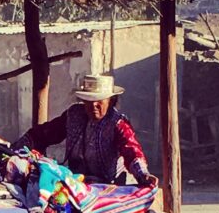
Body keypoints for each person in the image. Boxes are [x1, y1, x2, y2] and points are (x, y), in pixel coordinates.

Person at [15, 74, 158, 188]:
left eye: (99, 100)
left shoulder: (118, 123)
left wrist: (142, 174)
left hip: (109, 186)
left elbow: (131, 149)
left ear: (111, 101)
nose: (93, 105)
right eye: (88, 100)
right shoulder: (73, 115)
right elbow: (46, 133)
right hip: (76, 184)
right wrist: (18, 147)